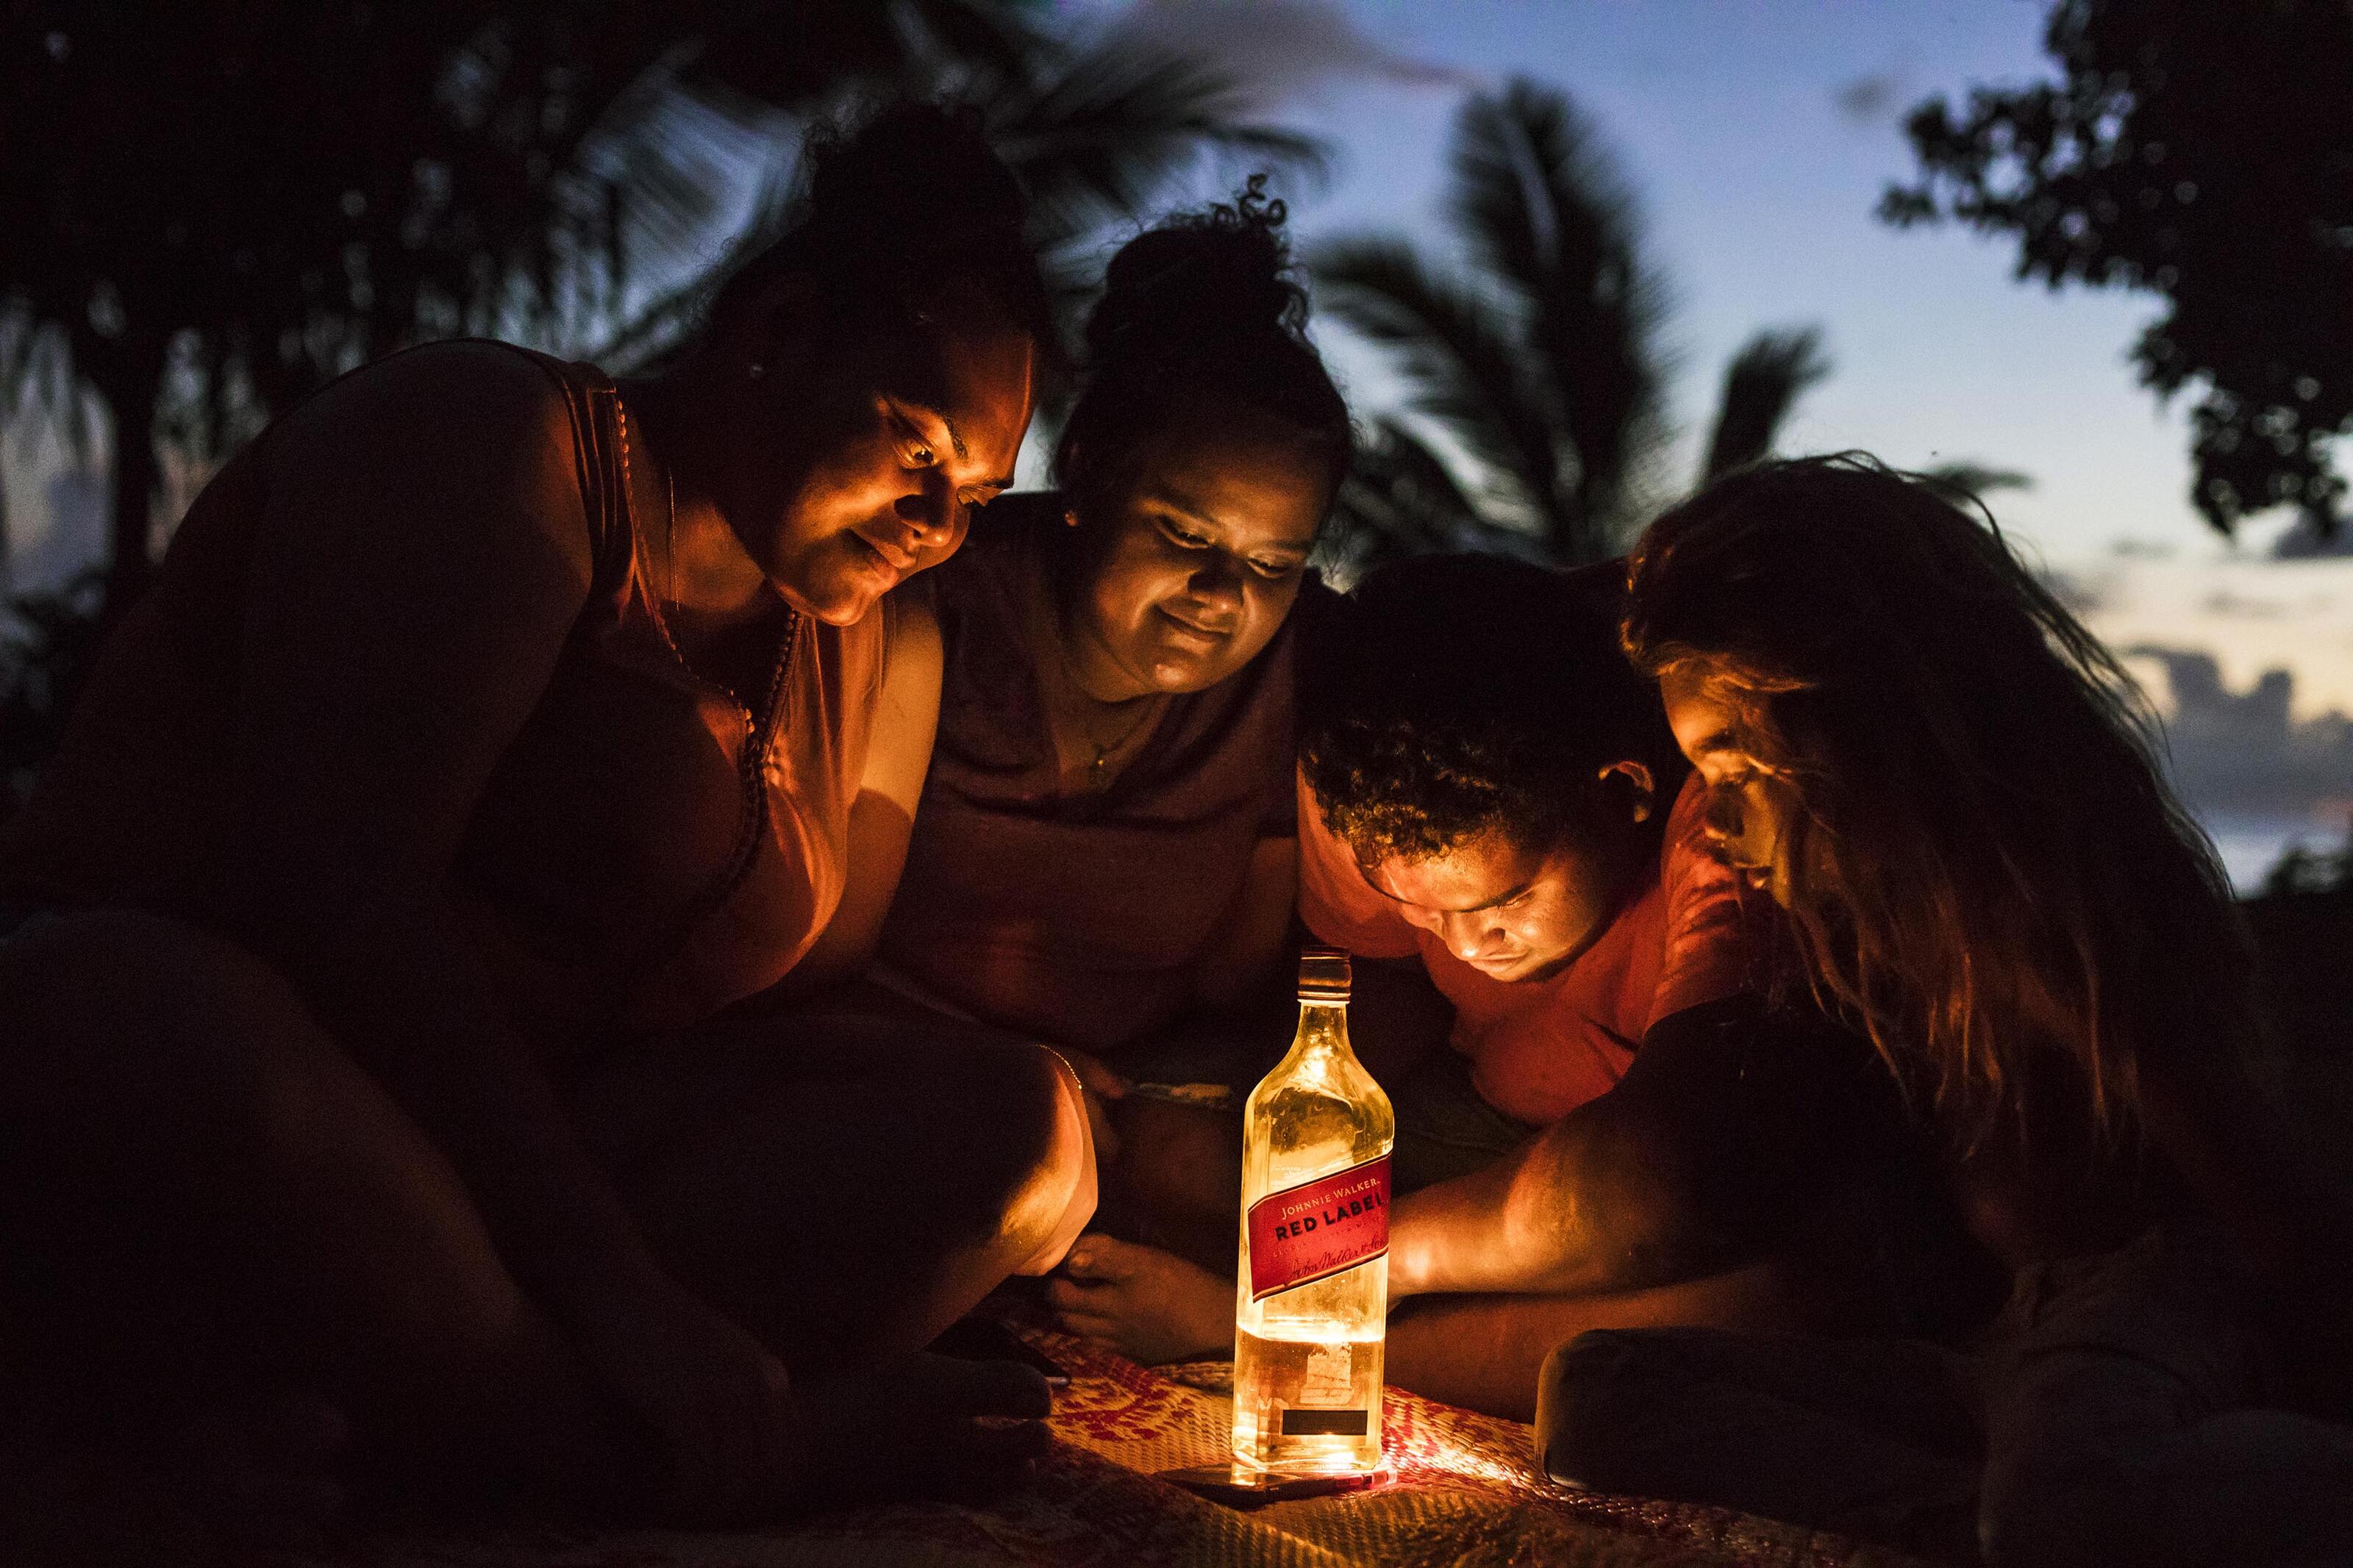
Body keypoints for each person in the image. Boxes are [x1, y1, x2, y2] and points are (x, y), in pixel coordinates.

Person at [0, 103, 1087, 1529]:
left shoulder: (876, 638)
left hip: (520, 1169)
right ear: (777, 327)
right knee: (153, 1006)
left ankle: (386, 1422)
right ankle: (609, 1449)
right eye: (913, 448)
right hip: (225, 1121)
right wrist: (624, 1292)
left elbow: (789, 1014)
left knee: (1021, 1120)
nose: (933, 522)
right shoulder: (499, 440)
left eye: (976, 496)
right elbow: (336, 901)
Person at [1538, 454, 2353, 1567]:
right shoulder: (1885, 928)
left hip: (2153, 1301)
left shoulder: (2037, 909)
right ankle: (2010, 1518)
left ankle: (2132, 1503)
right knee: (1599, 1390)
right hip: (2007, 1338)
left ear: (1848, 739)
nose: (1712, 821)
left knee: (2061, 1502)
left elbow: (2249, 1175)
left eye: (1734, 770)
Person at [1051, 554, 1946, 1417]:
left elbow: (1666, 1175)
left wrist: (1368, 1260)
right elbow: (1381, 992)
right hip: (1479, 1139)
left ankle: (1281, 1340)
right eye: (1422, 911)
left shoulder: (1727, 830)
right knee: (1165, 1153)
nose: (1470, 944)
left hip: (1666, 1178)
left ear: (1621, 790)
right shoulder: (1372, 780)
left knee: (1770, 1300)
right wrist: (1315, 1162)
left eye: (1507, 899)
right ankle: (1348, 1308)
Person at [869, 181, 1349, 1247]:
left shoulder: (1290, 673)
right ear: (1086, 478)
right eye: (1185, 536)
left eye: (1274, 562)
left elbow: (1236, 986)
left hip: (1135, 1103)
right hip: (878, 1068)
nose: (1225, 597)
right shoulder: (933, 606)